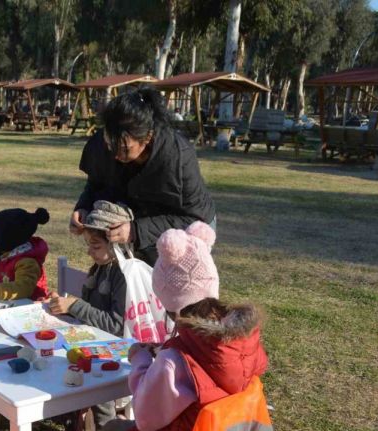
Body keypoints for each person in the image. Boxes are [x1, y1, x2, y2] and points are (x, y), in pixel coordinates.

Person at [102, 222, 269, 431]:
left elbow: (145, 419)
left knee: (111, 427)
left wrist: (141, 362)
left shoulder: (173, 360)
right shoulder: (244, 341)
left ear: (170, 302)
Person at [70, 88, 216, 266]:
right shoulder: (103, 143)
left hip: (188, 229)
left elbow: (193, 219)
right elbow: (96, 183)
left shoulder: (177, 158)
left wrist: (137, 230)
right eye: (110, 145)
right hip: (135, 224)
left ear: (147, 137)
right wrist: (84, 207)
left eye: (124, 149)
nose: (115, 155)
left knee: (171, 284)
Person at [48, 201, 131, 429]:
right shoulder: (100, 267)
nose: (88, 251)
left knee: (96, 381)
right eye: (88, 244)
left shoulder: (123, 275)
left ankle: (105, 426)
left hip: (119, 349)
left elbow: (116, 324)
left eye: (95, 246)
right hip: (94, 339)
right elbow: (89, 308)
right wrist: (62, 303)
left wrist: (74, 305)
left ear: (115, 244)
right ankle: (71, 417)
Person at [0, 208, 50, 300]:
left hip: (28, 307)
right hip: (4, 304)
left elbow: (24, 288)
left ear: (4, 239)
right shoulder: (2, 254)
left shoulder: (27, 262)